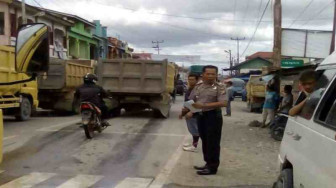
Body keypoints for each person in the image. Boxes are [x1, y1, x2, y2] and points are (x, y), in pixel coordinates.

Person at [187, 65, 227, 175]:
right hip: (201, 116)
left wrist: (204, 105)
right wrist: (191, 111)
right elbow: (191, 100)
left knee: (213, 142)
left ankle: (212, 167)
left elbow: (223, 103)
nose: (210, 76)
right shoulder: (198, 86)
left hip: (213, 116)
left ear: (216, 75)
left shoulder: (220, 87)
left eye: (213, 74)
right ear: (203, 74)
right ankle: (207, 163)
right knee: (205, 140)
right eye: (208, 74)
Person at [179, 74, 200, 152]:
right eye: (189, 79)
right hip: (188, 110)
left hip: (194, 113)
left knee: (195, 130)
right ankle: (193, 143)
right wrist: (183, 113)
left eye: (192, 79)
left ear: (196, 80)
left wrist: (192, 112)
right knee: (192, 129)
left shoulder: (197, 89)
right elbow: (188, 102)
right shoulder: (190, 88)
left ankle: (194, 146)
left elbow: (199, 102)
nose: (190, 81)